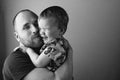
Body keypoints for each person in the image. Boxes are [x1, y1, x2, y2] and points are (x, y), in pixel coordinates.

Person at [2, 9, 73, 80]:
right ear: (17, 37)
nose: (35, 29)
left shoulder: (49, 46)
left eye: (36, 24)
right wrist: (70, 51)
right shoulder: (15, 60)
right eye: (26, 27)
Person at [26, 6, 71, 72]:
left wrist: (28, 50)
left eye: (45, 29)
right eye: (40, 28)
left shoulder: (54, 47)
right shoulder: (62, 42)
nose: (41, 32)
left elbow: (38, 63)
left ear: (61, 30)